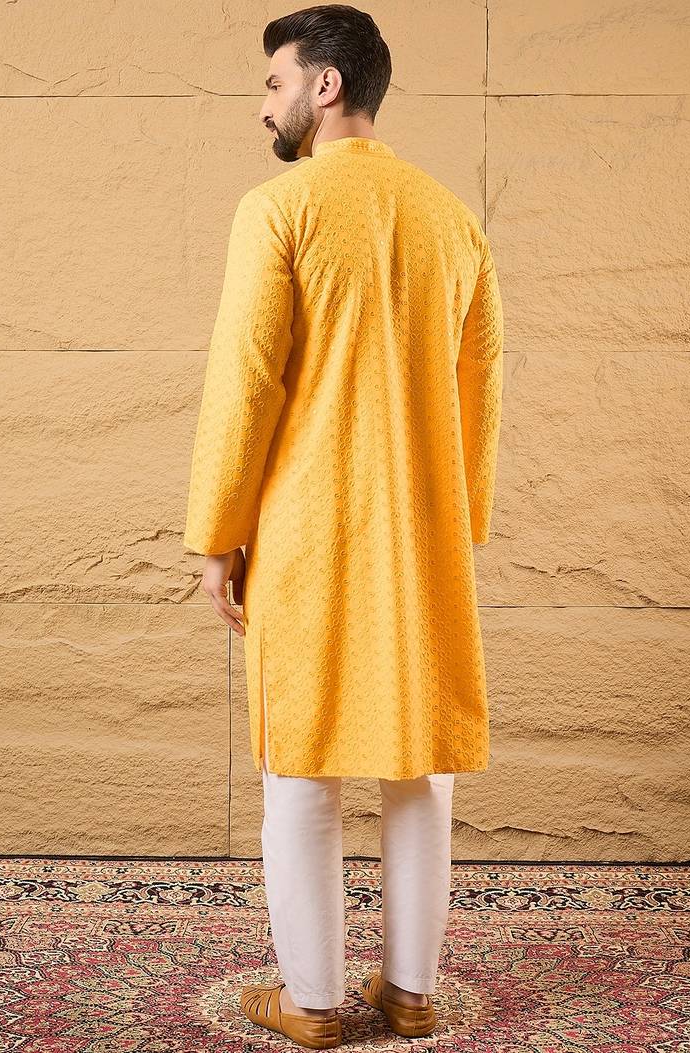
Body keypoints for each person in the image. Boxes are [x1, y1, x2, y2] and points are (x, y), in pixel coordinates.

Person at [183, 5, 504, 1048]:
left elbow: (247, 382)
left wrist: (217, 533)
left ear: (325, 86)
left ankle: (314, 1003)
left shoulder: (278, 209)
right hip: (422, 535)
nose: (263, 105)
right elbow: (481, 385)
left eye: (275, 82)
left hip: (310, 533)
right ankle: (410, 994)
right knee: (418, 762)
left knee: (301, 763)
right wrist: (459, 520)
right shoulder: (452, 219)